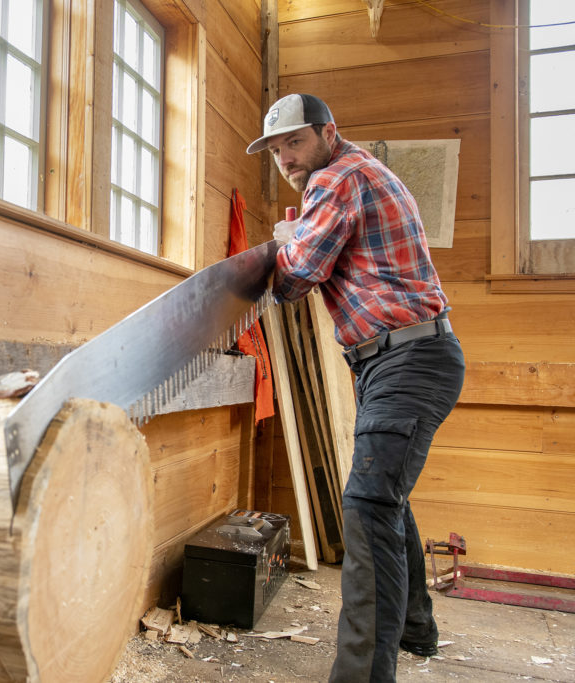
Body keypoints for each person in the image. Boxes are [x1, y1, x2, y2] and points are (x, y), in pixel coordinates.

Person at [246, 93, 465, 682]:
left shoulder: (338, 177)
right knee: (385, 497)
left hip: (407, 359)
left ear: (327, 132)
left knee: (367, 507)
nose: (286, 159)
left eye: (294, 142)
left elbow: (295, 278)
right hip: (398, 358)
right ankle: (416, 628)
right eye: (274, 150)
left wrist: (286, 238)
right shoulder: (360, 171)